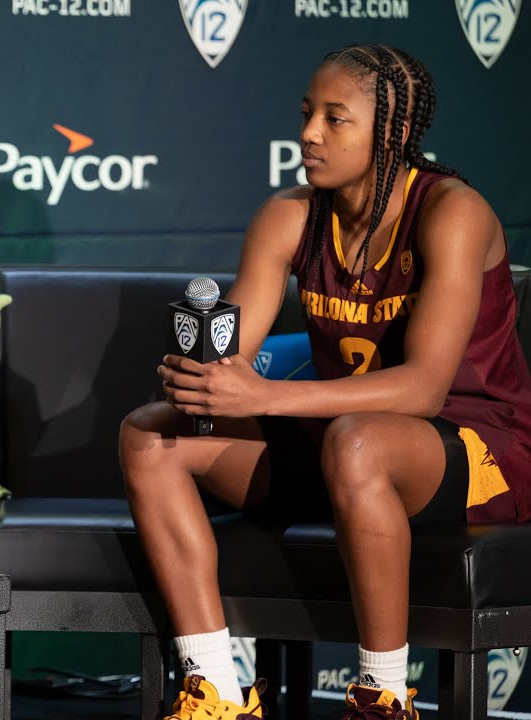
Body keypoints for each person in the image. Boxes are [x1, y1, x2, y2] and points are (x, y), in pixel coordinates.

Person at [119, 43, 531, 720]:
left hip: (475, 450)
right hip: (342, 446)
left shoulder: (453, 212)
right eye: (307, 113)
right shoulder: (290, 215)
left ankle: (382, 697)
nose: (309, 132)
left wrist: (266, 397)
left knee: (358, 441)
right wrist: (198, 381)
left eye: (334, 118)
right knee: (148, 437)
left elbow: (425, 390)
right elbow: (235, 353)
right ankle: (216, 691)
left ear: (392, 131)